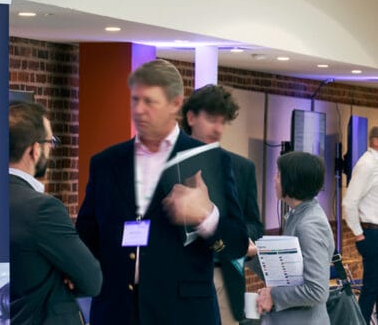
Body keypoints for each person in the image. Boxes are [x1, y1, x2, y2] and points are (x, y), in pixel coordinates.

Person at [76, 59, 249, 325]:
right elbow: (87, 236)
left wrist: (206, 216)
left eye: (150, 101)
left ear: (176, 104)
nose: (139, 110)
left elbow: (235, 243)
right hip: (116, 312)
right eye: (135, 100)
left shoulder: (207, 160)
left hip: (183, 314)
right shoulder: (106, 162)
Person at [8, 101, 101, 325]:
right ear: (35, 149)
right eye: (51, 142)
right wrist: (63, 275)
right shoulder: (42, 209)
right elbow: (91, 279)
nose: (51, 149)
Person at [179, 84, 264, 324]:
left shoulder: (241, 168)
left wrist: (235, 236)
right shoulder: (168, 165)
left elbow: (254, 225)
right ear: (191, 117)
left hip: (223, 277)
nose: (218, 129)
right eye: (211, 119)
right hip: (177, 278)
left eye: (222, 122)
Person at [255, 152, 332, 324]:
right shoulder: (298, 215)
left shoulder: (309, 225)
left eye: (279, 175)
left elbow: (317, 290)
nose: (274, 180)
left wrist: (273, 295)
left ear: (292, 180)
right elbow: (286, 274)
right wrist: (252, 254)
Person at [343, 124, 378, 325]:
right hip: (373, 235)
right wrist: (359, 234)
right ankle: (360, 322)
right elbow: (349, 203)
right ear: (376, 141)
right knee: (372, 288)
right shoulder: (366, 165)